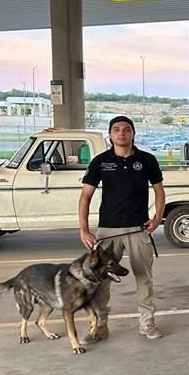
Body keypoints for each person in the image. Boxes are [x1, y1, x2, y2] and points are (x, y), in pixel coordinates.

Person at [78, 115, 166, 342]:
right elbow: (85, 196)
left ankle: (147, 324)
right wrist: (84, 229)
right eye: (116, 130)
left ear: (133, 134)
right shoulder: (100, 162)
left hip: (138, 229)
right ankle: (99, 327)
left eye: (126, 130)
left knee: (143, 278)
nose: (121, 134)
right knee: (100, 282)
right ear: (110, 135)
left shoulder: (147, 160)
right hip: (108, 232)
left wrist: (157, 218)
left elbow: (158, 191)